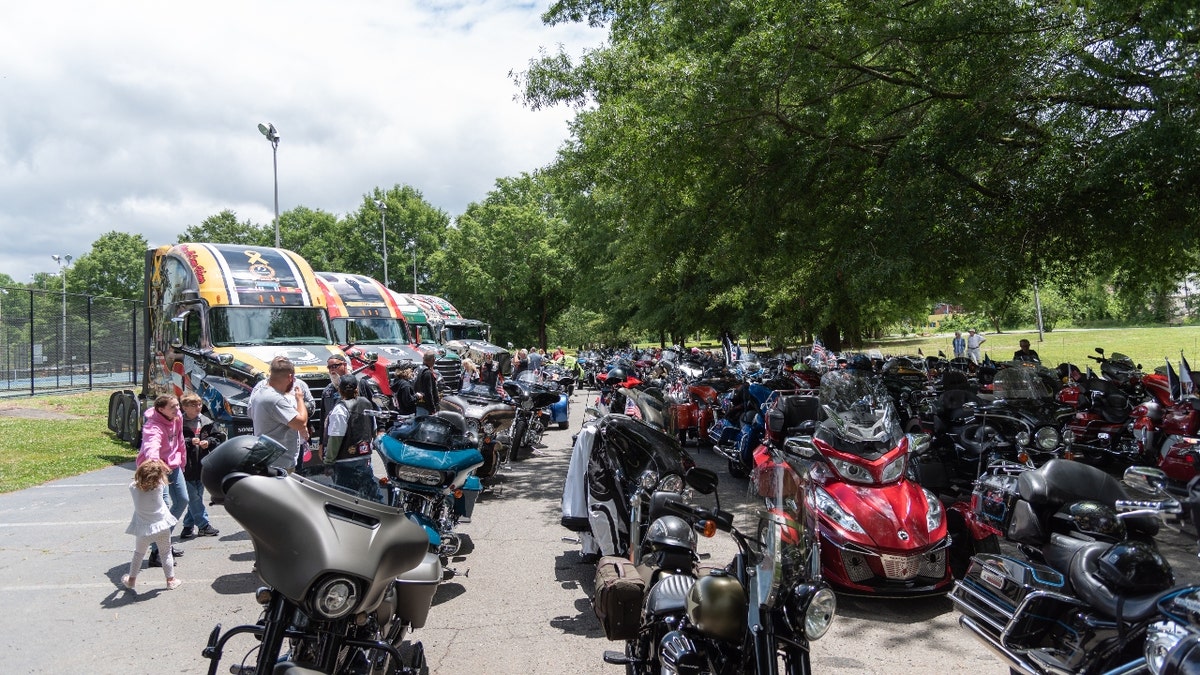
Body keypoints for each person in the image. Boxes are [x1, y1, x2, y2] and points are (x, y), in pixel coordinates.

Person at [137, 394, 187, 567]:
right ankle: (158, 550)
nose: (177, 409)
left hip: (173, 465)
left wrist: (182, 462)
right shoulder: (153, 426)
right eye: (173, 407)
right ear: (161, 409)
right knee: (163, 505)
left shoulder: (177, 417)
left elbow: (179, 441)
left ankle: (163, 543)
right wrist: (155, 464)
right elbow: (152, 446)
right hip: (157, 469)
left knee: (182, 500)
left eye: (177, 406)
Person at [121, 459, 182, 591]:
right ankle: (170, 580)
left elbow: (137, 479)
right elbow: (167, 471)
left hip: (144, 529)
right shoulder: (160, 486)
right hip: (162, 526)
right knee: (166, 553)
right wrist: (160, 462)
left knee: (138, 554)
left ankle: (131, 580)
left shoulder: (133, 488)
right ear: (158, 475)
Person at [323, 377, 383, 501]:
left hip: (346, 460)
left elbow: (335, 438)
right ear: (357, 389)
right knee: (369, 495)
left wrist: (328, 462)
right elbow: (373, 429)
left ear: (339, 390)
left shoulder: (340, 409)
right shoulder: (366, 403)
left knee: (346, 497)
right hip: (365, 456)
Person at [249, 356, 309, 471]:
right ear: (290, 377)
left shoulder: (260, 392)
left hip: (267, 459)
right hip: (278, 465)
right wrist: (300, 399)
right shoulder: (275, 399)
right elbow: (301, 423)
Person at [178, 392, 223, 540]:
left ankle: (188, 525)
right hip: (186, 466)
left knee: (196, 496)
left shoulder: (206, 421)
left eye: (199, 404)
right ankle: (204, 525)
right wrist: (190, 441)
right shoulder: (178, 423)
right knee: (193, 498)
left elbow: (217, 438)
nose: (198, 407)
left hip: (202, 465)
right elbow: (174, 442)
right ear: (184, 407)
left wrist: (208, 442)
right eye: (193, 405)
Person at [320, 354, 350, 458]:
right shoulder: (327, 391)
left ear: (344, 365)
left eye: (335, 366)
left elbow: (372, 409)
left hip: (353, 440)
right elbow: (323, 418)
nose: (332, 370)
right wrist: (321, 444)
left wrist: (380, 430)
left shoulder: (359, 385)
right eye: (329, 367)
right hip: (332, 442)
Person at [413, 350, 440, 416]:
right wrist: (432, 408)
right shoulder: (427, 372)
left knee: (418, 423)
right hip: (425, 407)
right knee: (423, 425)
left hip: (418, 403)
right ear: (432, 360)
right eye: (434, 359)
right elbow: (428, 392)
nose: (434, 361)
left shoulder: (417, 369)